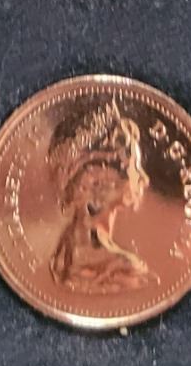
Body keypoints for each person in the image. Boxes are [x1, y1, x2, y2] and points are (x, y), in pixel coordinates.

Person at [46, 98, 153, 290]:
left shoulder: (61, 257)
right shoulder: (126, 270)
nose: (144, 179)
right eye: (135, 167)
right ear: (99, 181)